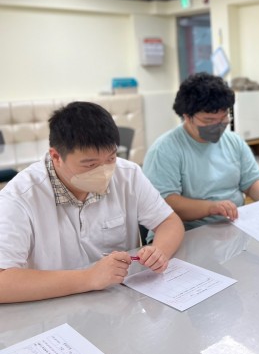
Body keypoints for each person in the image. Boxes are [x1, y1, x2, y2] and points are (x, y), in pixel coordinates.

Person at [0, 102, 184, 304]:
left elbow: (169, 222)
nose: (104, 171)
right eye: (90, 164)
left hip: (119, 306)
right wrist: (89, 277)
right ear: (56, 156)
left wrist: (159, 252)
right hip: (52, 310)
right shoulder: (20, 197)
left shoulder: (127, 174)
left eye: (111, 158)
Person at [143, 72, 259, 231]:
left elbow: (252, 182)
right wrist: (210, 208)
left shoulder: (233, 141)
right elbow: (166, 203)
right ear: (187, 117)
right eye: (208, 120)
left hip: (233, 226)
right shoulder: (165, 149)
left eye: (223, 118)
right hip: (187, 233)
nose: (218, 125)